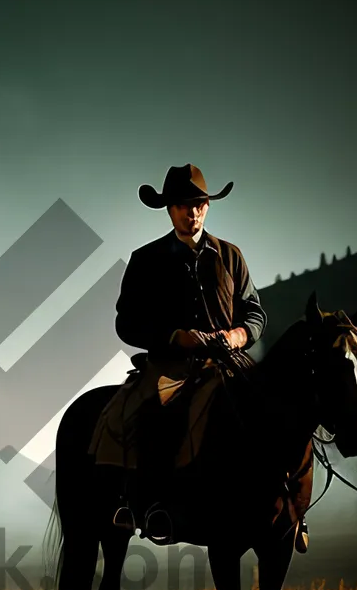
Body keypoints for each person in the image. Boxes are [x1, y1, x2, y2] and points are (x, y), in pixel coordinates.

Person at [88, 163, 267, 539]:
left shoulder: (231, 256)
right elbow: (127, 323)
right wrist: (175, 337)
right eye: (184, 205)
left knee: (275, 407)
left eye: (200, 203)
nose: (193, 212)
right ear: (169, 210)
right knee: (153, 412)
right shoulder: (146, 260)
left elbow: (254, 312)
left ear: (207, 205)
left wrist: (236, 335)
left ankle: (281, 506)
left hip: (230, 362)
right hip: (172, 367)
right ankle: (151, 505)